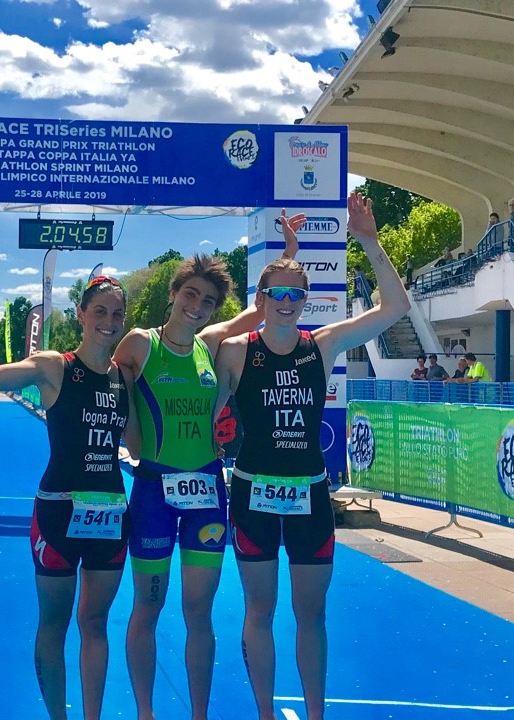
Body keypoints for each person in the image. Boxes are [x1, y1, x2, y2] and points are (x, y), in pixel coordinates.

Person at [213, 192, 409, 720]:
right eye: (276, 292)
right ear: (261, 298)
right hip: (252, 495)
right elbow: (206, 409)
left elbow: (395, 309)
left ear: (306, 299)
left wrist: (369, 241)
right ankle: (264, 713)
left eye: (295, 293)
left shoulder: (321, 345)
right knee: (259, 609)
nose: (286, 301)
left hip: (310, 498)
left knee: (312, 614)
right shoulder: (234, 352)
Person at [112, 208, 303, 720]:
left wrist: (290, 253)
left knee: (199, 612)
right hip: (152, 490)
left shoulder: (210, 345)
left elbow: (263, 311)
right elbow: (99, 381)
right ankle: (146, 713)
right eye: (191, 295)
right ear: (174, 293)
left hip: (207, 493)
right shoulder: (140, 344)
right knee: (148, 606)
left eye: (209, 301)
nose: (197, 307)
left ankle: (198, 714)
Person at [0, 266, 137, 720]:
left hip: (111, 515)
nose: (108, 321)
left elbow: (137, 444)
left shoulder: (125, 378)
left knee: (95, 624)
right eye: (99, 311)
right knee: (54, 625)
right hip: (58, 515)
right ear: (81, 314)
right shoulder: (54, 367)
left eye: (117, 313)